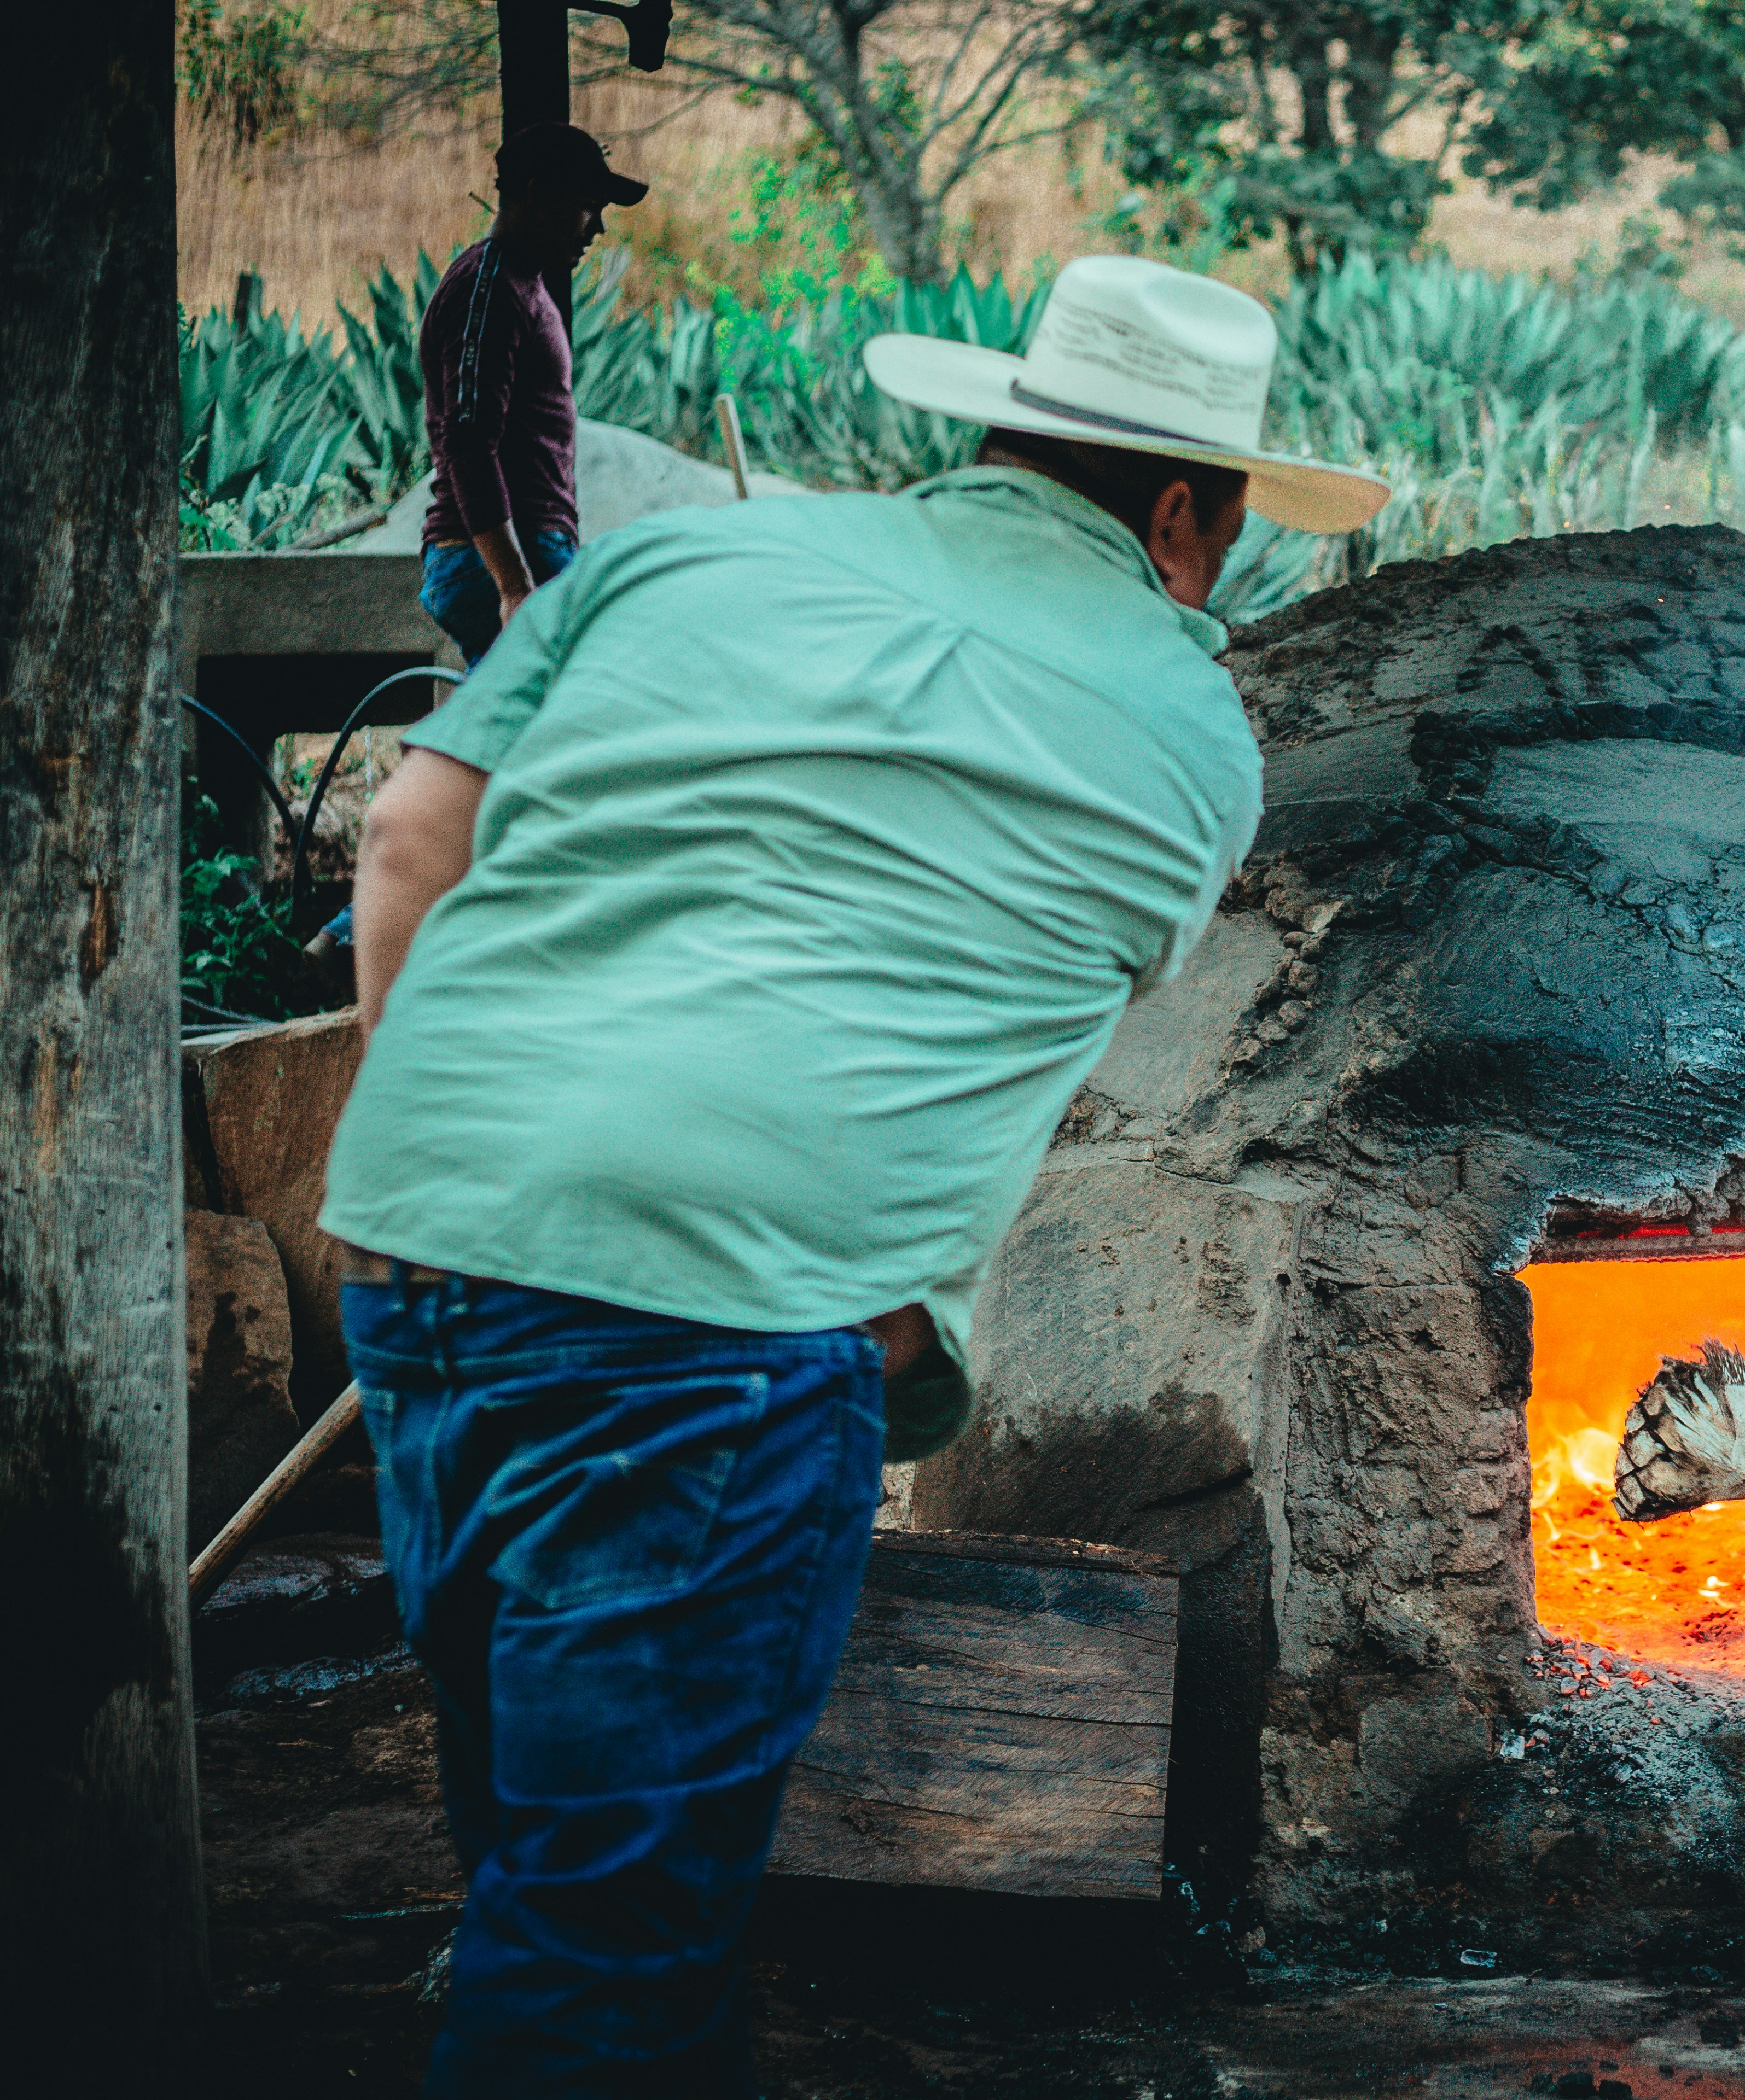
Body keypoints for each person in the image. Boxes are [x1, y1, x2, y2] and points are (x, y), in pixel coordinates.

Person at [317, 255, 1385, 2096]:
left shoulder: (679, 562)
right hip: (719, 1334)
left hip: (425, 1261)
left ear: (986, 432)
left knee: (549, 1866)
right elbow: (978, 1030)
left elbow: (415, 833)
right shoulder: (1194, 736)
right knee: (603, 1945)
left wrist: (438, 1178)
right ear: (1184, 512)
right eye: (1220, 536)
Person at [417, 122, 647, 664]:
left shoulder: (517, 284)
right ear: (537, 193)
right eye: (588, 205)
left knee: (524, 738)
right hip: (498, 558)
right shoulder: (488, 289)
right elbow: (469, 441)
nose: (598, 229)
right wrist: (515, 586)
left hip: (522, 553)